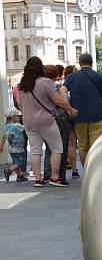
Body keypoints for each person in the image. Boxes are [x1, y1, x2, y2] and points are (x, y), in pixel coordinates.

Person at [15, 57, 79, 187]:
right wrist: (70, 110)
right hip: (46, 121)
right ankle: (55, 177)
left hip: (28, 122)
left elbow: (20, 104)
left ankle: (38, 179)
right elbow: (58, 100)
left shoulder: (22, 84)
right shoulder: (45, 82)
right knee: (57, 147)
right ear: (40, 67)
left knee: (35, 151)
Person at [64, 53, 102, 165]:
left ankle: (86, 173)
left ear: (80, 63)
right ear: (91, 63)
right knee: (96, 146)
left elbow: (62, 91)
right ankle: (95, 173)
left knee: (83, 147)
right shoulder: (100, 76)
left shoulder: (71, 77)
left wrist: (68, 108)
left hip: (79, 117)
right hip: (97, 116)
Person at [42, 65, 71, 184]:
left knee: (49, 148)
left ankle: (47, 174)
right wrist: (70, 110)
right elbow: (64, 101)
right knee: (61, 148)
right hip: (60, 118)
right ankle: (59, 176)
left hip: (46, 118)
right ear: (56, 74)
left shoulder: (40, 87)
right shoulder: (58, 87)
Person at [63, 64, 80, 178]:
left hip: (66, 117)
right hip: (78, 115)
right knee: (83, 144)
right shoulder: (77, 83)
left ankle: (74, 169)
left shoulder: (63, 86)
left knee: (71, 144)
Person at [1, 108, 27, 182]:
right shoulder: (17, 126)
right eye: (18, 116)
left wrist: (1, 146)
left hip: (11, 149)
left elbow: (3, 137)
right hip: (18, 149)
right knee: (20, 163)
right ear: (13, 117)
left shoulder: (5, 127)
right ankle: (9, 170)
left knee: (16, 163)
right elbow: (26, 128)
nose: (19, 118)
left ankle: (19, 176)